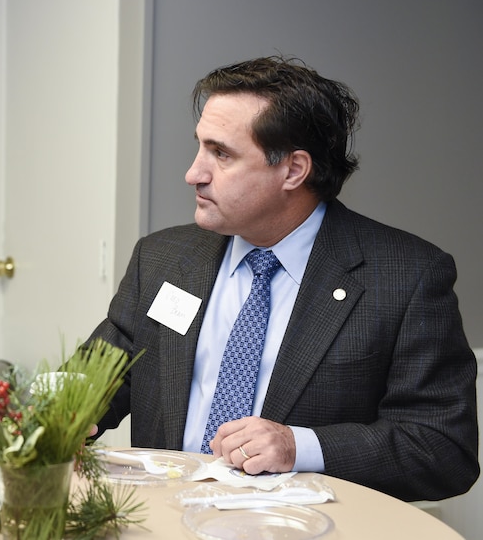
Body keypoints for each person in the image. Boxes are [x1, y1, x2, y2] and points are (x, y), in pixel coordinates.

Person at [87, 56, 478, 502]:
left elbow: (443, 449)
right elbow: (100, 375)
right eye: (200, 147)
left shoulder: (405, 277)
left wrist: (301, 447)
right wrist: (33, 415)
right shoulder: (162, 258)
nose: (193, 173)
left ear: (293, 170)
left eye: (222, 154)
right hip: (162, 520)